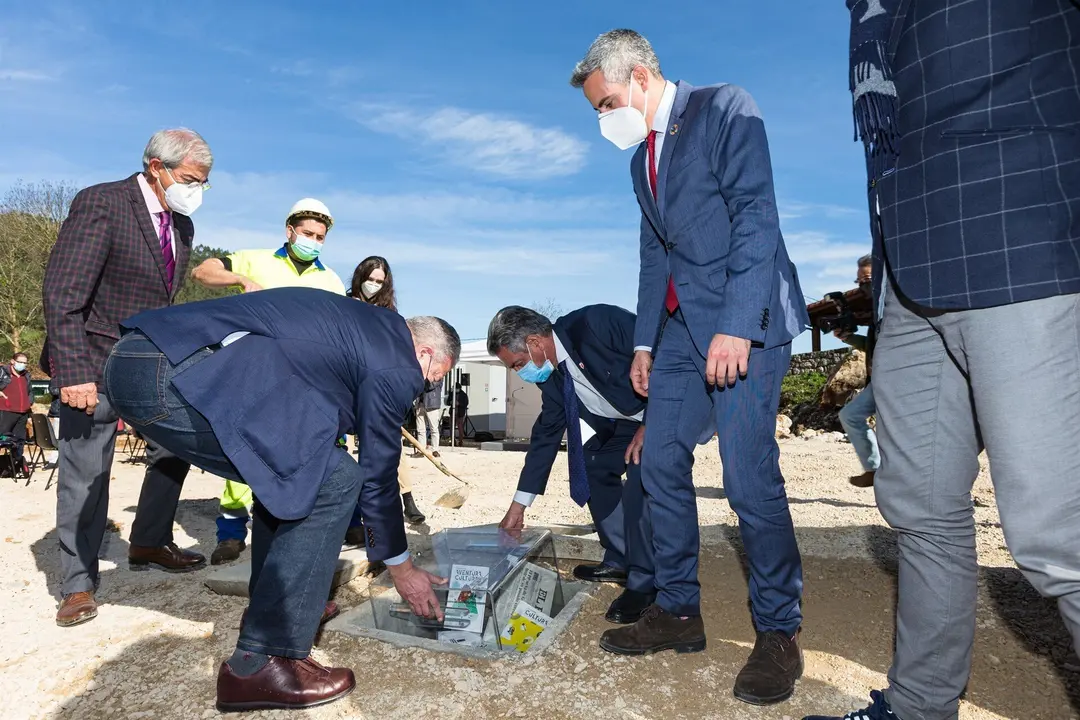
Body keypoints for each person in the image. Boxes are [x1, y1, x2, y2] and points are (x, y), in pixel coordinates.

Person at [807, 3, 1080, 720]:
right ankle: (919, 705)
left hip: (1021, 237)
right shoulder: (867, 10)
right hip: (909, 270)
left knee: (1060, 534)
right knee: (920, 508)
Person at [570, 30, 810, 705]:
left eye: (607, 102)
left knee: (748, 477)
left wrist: (737, 322)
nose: (603, 119)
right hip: (677, 332)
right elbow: (655, 256)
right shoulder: (638, 164)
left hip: (746, 317)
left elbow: (755, 214)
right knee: (657, 460)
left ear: (641, 77)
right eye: (596, 110)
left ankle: (779, 632)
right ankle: (677, 610)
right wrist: (644, 343)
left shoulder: (725, 109)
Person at [103, 286, 457, 712]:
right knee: (338, 478)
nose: (422, 390)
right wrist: (402, 569)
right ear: (424, 354)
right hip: (176, 373)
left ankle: (277, 608)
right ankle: (261, 661)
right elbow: (378, 477)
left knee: (297, 471)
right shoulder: (398, 364)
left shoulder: (365, 330)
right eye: (433, 379)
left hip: (141, 359)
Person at [42, 128, 213, 628]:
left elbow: (160, 305)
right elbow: (63, 292)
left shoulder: (181, 228)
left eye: (204, 183)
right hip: (91, 362)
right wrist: (72, 371)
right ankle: (77, 583)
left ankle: (148, 540)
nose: (196, 191)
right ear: (156, 167)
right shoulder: (102, 203)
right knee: (85, 473)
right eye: (189, 179)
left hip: (145, 364)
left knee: (175, 446)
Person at [191, 198, 347, 565]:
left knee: (294, 449)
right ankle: (230, 531)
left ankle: (284, 521)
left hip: (303, 377)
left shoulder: (330, 280)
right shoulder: (255, 259)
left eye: (320, 237)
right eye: (307, 233)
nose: (313, 241)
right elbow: (203, 271)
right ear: (290, 230)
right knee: (241, 445)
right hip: (250, 368)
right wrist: (240, 279)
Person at [489, 305, 656, 625]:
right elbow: (546, 435)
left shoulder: (596, 323)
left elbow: (664, 356)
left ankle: (646, 582)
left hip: (658, 413)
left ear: (536, 342)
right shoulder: (550, 376)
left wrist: (654, 422)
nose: (519, 373)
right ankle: (621, 558)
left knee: (639, 475)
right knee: (590, 466)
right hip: (620, 424)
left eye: (519, 364)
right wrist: (518, 506)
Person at [345, 256, 425, 528]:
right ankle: (351, 516)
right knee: (341, 452)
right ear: (360, 277)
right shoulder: (343, 306)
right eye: (370, 280)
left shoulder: (389, 315)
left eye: (380, 282)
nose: (374, 286)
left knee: (392, 450)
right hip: (345, 388)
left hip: (377, 391)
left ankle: (407, 499)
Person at [834, 254, 878, 488]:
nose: (864, 286)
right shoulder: (877, 311)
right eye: (860, 281)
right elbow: (871, 345)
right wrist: (849, 337)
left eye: (868, 279)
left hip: (899, 380)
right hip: (879, 381)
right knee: (850, 415)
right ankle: (874, 469)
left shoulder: (895, 306)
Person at [0, 352, 33, 475]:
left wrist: (29, 403)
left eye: (25, 363)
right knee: (2, 439)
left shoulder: (26, 375)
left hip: (22, 413)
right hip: (6, 411)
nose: (23, 365)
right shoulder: (2, 372)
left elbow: (29, 391)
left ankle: (15, 466)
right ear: (12, 361)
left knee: (19, 441)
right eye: (20, 362)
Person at [412, 379, 444, 458]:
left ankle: (435, 450)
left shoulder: (438, 375)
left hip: (432, 405)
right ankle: (421, 450)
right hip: (420, 404)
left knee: (434, 428)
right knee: (420, 430)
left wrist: (421, 382)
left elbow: (430, 386)